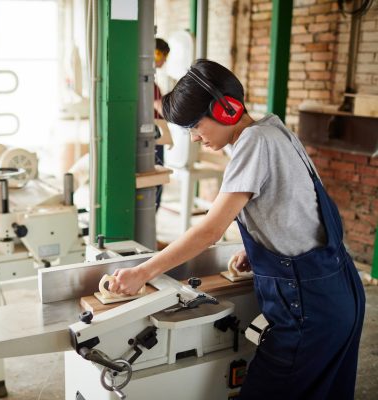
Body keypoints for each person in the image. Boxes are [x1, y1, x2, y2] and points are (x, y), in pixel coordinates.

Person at [108, 59, 365, 399]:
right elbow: (298, 204)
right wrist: (259, 243)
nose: (196, 138)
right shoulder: (273, 128)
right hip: (340, 292)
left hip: (308, 307)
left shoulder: (253, 142)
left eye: (196, 126)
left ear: (227, 108)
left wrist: (142, 272)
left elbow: (210, 231)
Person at [153, 38, 170, 212]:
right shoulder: (149, 85)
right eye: (164, 56)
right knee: (156, 181)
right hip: (153, 138)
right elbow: (162, 110)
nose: (164, 61)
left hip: (153, 136)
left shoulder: (150, 83)